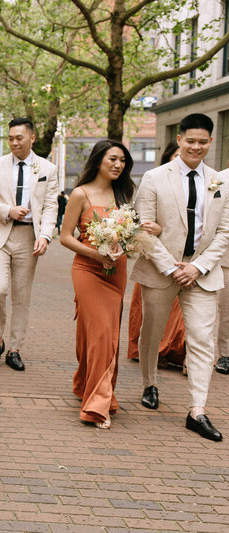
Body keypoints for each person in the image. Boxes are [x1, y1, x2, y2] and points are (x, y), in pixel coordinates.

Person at [132, 113, 229, 442]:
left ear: (211, 142)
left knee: (203, 340)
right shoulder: (154, 178)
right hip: (162, 269)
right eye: (191, 141)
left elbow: (225, 233)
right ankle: (150, 384)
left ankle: (197, 409)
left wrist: (197, 267)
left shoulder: (220, 181)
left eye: (203, 142)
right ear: (179, 140)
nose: (196, 147)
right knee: (152, 332)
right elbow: (144, 229)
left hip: (201, 273)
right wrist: (172, 266)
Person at [60, 140, 136, 429]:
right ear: (99, 160)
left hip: (117, 272)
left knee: (101, 335)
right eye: (113, 159)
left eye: (123, 161)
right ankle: (96, 406)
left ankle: (86, 386)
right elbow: (66, 236)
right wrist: (96, 253)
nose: (118, 165)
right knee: (102, 334)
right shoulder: (80, 193)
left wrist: (131, 242)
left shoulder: (124, 194)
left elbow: (130, 234)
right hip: (88, 270)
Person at [0, 117, 59, 371]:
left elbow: (50, 206)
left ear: (32, 138)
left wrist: (45, 236)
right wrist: (6, 209)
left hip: (28, 238)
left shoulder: (48, 169)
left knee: (22, 296)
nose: (13, 142)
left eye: (18, 138)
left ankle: (15, 348)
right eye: (10, 138)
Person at [126, 139, 186, 371]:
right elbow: (145, 224)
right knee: (152, 319)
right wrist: (160, 230)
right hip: (156, 260)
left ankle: (180, 353)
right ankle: (153, 358)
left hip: (187, 263)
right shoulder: (155, 180)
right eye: (176, 156)